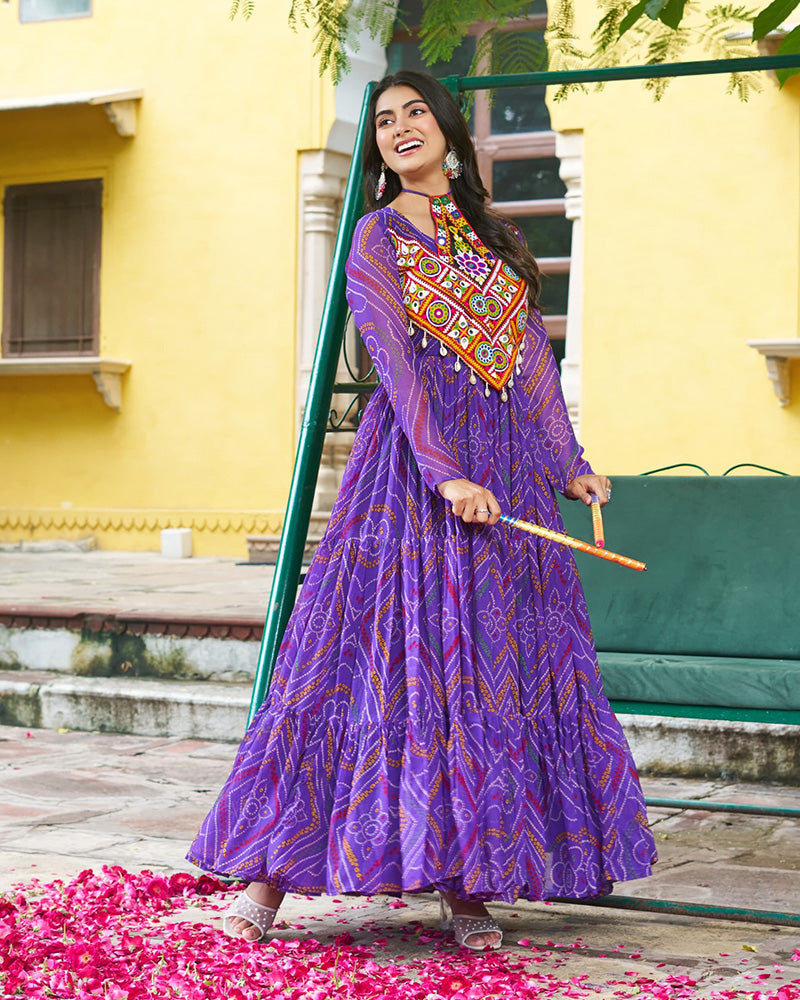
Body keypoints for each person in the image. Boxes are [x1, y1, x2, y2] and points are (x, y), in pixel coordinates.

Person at [187, 69, 656, 951]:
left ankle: (470, 882)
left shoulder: (502, 240)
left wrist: (571, 465)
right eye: (383, 121)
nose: (399, 128)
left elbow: (530, 370)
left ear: (447, 128)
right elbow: (396, 365)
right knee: (361, 662)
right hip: (411, 479)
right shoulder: (375, 236)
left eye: (414, 114)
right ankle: (268, 875)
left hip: (509, 482)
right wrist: (444, 474)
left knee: (487, 675)